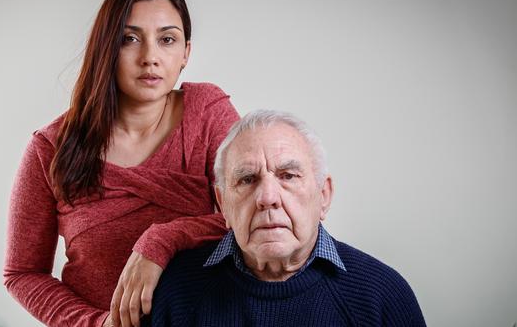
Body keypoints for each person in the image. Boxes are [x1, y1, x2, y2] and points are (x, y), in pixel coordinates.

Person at [3, 0, 239, 327]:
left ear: (186, 53)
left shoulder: (207, 112)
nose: (150, 57)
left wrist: (162, 239)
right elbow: (22, 273)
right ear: (106, 47)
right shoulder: (49, 149)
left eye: (167, 40)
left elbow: (252, 217)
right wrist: (96, 324)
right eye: (130, 39)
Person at [145, 110, 426, 326]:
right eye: (247, 179)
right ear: (223, 204)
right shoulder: (177, 293)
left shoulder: (382, 295)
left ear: (324, 195)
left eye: (288, 176)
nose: (268, 197)